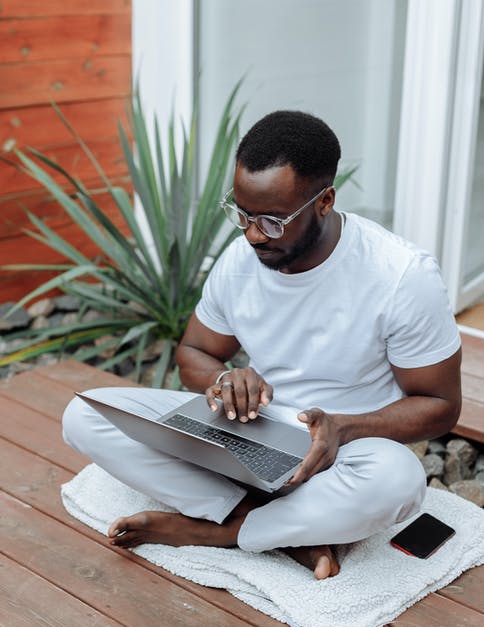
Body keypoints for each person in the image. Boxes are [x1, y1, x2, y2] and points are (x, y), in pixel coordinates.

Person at [63, 110, 462, 580]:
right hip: (252, 431)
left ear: (324, 201)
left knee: (398, 481)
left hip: (347, 449)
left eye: (273, 221)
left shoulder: (401, 276)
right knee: (85, 415)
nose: (253, 235)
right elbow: (194, 352)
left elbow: (440, 406)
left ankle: (218, 530)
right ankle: (274, 526)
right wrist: (224, 379)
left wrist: (343, 427)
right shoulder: (240, 260)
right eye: (243, 214)